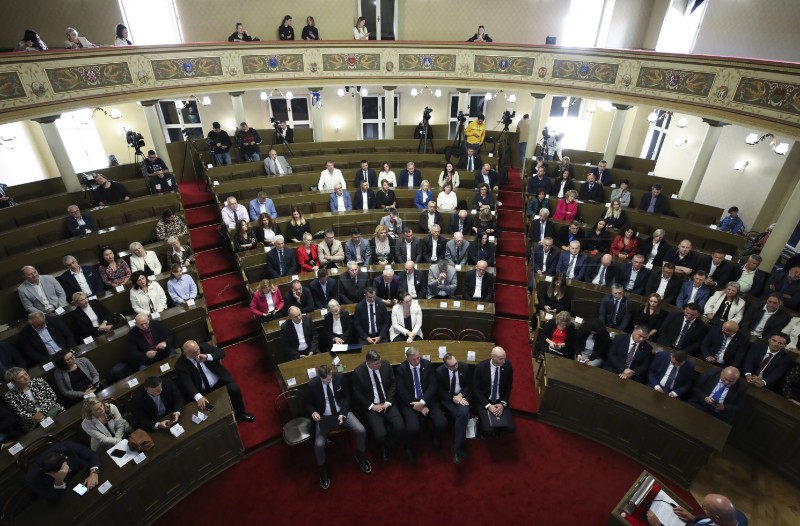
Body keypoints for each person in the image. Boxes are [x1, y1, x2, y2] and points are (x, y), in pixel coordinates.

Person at [306, 364, 371, 490]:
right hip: (324, 418)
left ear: (331, 373)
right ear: (319, 377)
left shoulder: (339, 378)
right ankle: (323, 468)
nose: (327, 382)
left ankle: (360, 455)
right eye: (324, 381)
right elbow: (308, 404)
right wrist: (314, 413)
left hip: (341, 413)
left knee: (361, 430)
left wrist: (343, 413)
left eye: (329, 379)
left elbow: (347, 398)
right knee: (318, 445)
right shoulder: (312, 385)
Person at [176, 340, 255, 422]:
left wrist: (207, 357)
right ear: (186, 353)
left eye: (198, 349)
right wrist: (199, 397)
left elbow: (221, 353)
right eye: (194, 352)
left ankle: (240, 413)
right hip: (202, 391)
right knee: (203, 409)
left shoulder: (204, 347)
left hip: (219, 381)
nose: (198, 353)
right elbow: (187, 383)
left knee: (234, 389)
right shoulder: (180, 365)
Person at [395, 347, 446, 463]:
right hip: (409, 403)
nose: (417, 361)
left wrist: (422, 403)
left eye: (418, 358)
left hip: (427, 400)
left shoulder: (427, 365)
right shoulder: (401, 369)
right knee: (413, 427)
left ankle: (435, 437)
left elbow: (433, 386)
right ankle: (408, 447)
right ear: (407, 359)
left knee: (442, 422)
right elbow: (402, 391)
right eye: (414, 359)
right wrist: (417, 405)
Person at [351, 349, 404, 460]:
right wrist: (372, 406)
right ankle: (382, 445)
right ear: (368, 363)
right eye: (376, 364)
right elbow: (357, 394)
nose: (379, 365)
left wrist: (388, 402)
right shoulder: (358, 372)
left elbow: (393, 384)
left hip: (387, 403)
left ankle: (386, 445)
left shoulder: (386, 364)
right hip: (372, 407)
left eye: (379, 362)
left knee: (400, 427)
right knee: (380, 435)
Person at [25, 441, 100, 505]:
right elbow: (52, 499)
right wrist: (58, 481)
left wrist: (94, 473)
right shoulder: (33, 478)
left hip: (85, 475)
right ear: (49, 473)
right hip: (67, 495)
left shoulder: (65, 446)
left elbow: (91, 455)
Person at [4, 367, 64, 432]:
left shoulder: (39, 381)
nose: (25, 377)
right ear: (13, 382)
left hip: (53, 410)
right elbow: (21, 413)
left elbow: (52, 396)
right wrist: (37, 417)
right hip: (33, 422)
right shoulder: (10, 396)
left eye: (26, 374)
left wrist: (42, 412)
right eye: (20, 377)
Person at [474, 346, 514, 436]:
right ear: (493, 357)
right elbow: (476, 389)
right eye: (501, 359)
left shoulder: (507, 365)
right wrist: (488, 406)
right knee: (487, 430)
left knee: (510, 428)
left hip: (500, 400)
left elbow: (508, 387)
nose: (503, 362)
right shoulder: (481, 367)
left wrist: (503, 403)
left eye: (504, 358)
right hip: (485, 401)